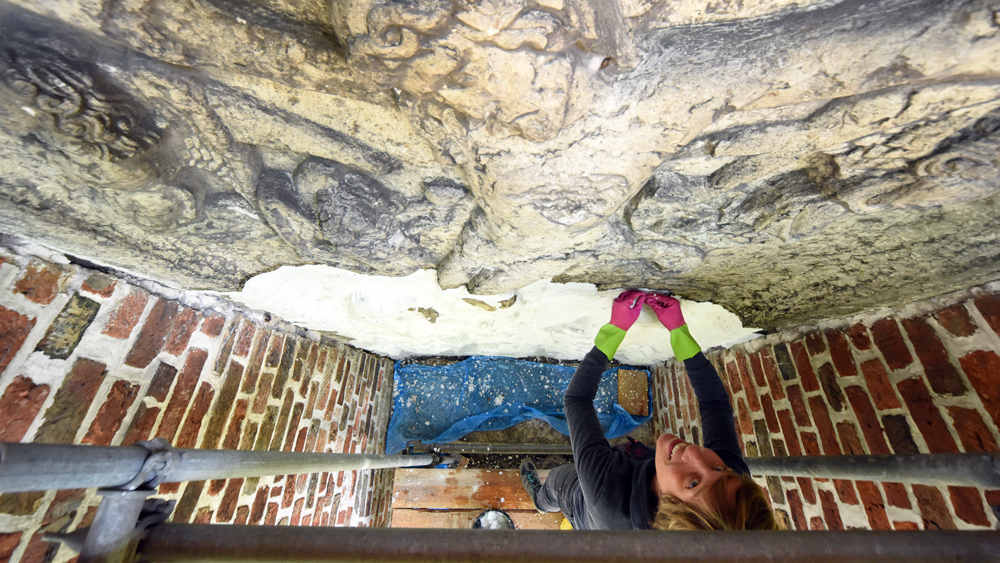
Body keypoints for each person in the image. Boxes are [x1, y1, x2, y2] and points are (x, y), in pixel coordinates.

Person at [519, 290, 780, 531]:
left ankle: (541, 501)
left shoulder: (607, 498)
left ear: (666, 510)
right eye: (720, 469)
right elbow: (715, 403)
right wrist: (679, 332)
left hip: (583, 511)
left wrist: (614, 332)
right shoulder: (731, 493)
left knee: (558, 480)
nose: (695, 453)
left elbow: (577, 400)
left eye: (693, 483)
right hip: (630, 472)